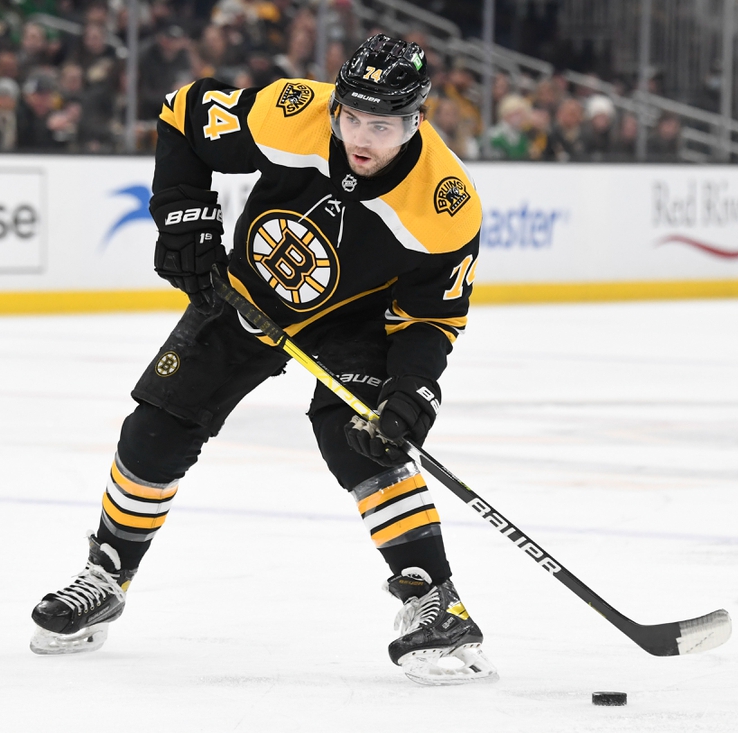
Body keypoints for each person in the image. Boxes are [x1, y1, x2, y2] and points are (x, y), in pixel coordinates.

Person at [29, 34, 496, 686]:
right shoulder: (293, 110)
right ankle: (108, 572)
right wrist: (183, 215)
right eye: (352, 116)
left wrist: (413, 391)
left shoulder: (446, 205)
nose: (361, 136)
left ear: (417, 119)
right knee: (156, 427)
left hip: (357, 316)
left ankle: (434, 600)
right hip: (248, 291)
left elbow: (430, 318)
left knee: (361, 439)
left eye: (382, 125)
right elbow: (182, 112)